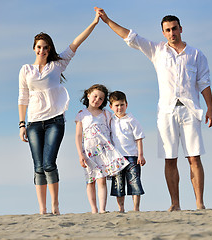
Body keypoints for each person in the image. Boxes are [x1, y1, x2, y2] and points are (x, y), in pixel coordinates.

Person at [96, 8, 212, 211]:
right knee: (170, 158)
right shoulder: (157, 50)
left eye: (174, 29)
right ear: (163, 32)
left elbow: (204, 83)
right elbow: (130, 36)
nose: (172, 33)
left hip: (190, 111)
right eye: (167, 30)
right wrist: (107, 21)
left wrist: (211, 109)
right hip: (167, 112)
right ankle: (175, 203)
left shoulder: (196, 54)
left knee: (194, 157)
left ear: (181, 28)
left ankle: (199, 203)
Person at [18, 11, 100, 215]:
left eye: (46, 47)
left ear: (50, 49)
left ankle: (55, 206)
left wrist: (94, 22)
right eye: (39, 47)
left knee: (48, 163)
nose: (42, 50)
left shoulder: (58, 64)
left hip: (55, 121)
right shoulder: (26, 70)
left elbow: (75, 43)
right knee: (38, 167)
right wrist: (22, 124)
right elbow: (23, 98)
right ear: (34, 48)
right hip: (34, 123)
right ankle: (42, 209)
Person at [75, 84, 130, 213]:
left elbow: (115, 129)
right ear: (88, 95)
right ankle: (93, 208)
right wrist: (80, 154)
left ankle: (102, 209)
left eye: (100, 98)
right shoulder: (82, 115)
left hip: (105, 152)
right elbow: (78, 136)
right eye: (94, 96)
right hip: (88, 153)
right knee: (90, 181)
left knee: (102, 180)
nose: (97, 100)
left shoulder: (106, 114)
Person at [109, 91, 146, 212]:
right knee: (118, 183)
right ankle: (121, 208)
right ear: (111, 107)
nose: (119, 108)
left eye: (122, 104)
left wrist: (140, 155)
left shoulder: (131, 120)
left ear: (126, 104)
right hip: (116, 158)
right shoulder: (111, 120)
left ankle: (136, 208)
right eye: (116, 105)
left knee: (134, 182)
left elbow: (139, 138)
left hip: (132, 156)